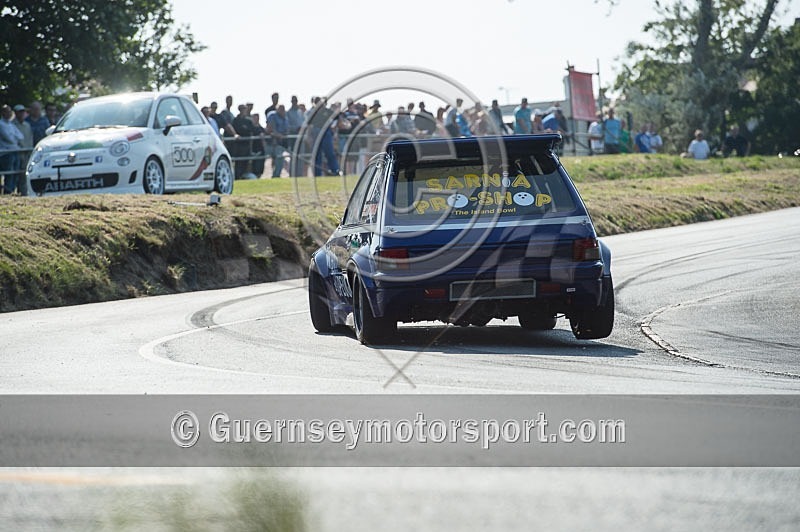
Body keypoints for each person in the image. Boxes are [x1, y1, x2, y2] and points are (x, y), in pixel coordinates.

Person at [0, 104, 24, 194]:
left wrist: (13, 136)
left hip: (15, 151)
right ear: (3, 113)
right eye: (7, 111)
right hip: (6, 153)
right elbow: (8, 138)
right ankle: (7, 191)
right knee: (9, 173)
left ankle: (12, 191)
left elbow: (21, 136)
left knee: (15, 173)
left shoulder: (11, 124)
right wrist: (14, 137)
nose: (9, 113)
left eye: (10, 111)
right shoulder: (1, 124)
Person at [266, 105, 289, 178]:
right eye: (281, 109)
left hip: (280, 143)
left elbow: (286, 130)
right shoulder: (272, 115)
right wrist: (277, 135)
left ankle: (276, 175)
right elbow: (269, 129)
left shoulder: (285, 118)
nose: (282, 111)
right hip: (270, 142)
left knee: (280, 159)